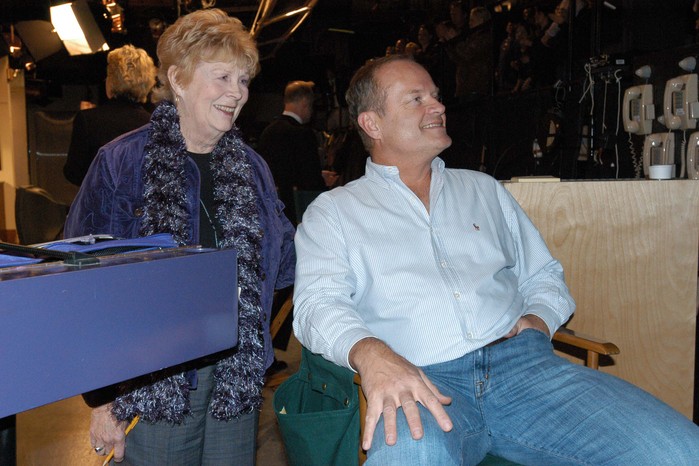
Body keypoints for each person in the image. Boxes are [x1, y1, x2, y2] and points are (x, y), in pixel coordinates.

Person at [292, 54, 699, 465]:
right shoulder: (336, 212)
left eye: (435, 95)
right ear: (372, 124)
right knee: (414, 456)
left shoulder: (483, 190)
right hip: (421, 381)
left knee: (682, 451)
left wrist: (538, 319)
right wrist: (373, 354)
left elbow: (544, 276)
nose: (438, 106)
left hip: (527, 373)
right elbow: (316, 306)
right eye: (416, 99)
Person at [64, 9, 295, 464]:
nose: (237, 93)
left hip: (235, 372)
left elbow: (283, 264)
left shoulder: (253, 168)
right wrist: (104, 398)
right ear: (180, 79)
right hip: (152, 376)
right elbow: (80, 282)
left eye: (244, 80)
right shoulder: (121, 162)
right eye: (223, 77)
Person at [63, 44, 156, 186]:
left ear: (112, 81)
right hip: (141, 207)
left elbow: (73, 173)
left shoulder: (88, 120)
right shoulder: (156, 126)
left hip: (100, 205)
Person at [257, 80, 332, 225]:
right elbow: (310, 181)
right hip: (297, 211)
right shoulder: (302, 134)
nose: (311, 112)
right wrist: (323, 180)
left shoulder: (267, 132)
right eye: (311, 106)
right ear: (305, 102)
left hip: (273, 210)